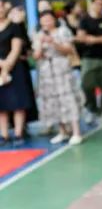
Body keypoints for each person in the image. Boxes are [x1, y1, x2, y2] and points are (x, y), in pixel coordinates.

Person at [32, 11, 85, 145]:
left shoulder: (63, 31)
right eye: (43, 20)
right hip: (46, 71)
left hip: (62, 68)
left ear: (54, 20)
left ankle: (76, 132)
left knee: (68, 98)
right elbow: (36, 56)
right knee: (52, 101)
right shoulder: (38, 35)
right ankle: (62, 131)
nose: (46, 22)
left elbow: (68, 50)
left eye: (49, 19)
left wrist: (53, 42)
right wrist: (40, 44)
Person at [0, 4, 34, 146]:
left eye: (0, 6)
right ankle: (4, 135)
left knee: (18, 102)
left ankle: (18, 133)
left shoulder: (15, 27)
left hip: (15, 68)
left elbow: (16, 49)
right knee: (1, 104)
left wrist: (6, 68)